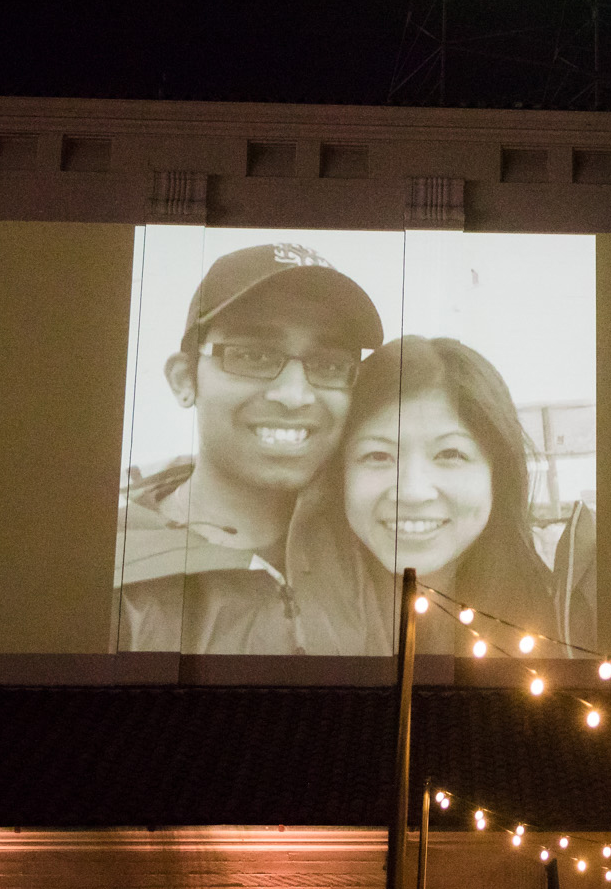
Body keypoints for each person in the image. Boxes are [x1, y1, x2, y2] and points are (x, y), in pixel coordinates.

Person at [117, 242, 384, 653]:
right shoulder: (112, 580)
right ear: (185, 380)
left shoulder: (382, 545)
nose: (295, 396)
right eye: (254, 355)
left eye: (329, 364)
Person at [289, 336, 572, 655]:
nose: (411, 492)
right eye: (378, 455)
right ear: (337, 476)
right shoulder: (285, 624)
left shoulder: (571, 613)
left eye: (450, 453)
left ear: (499, 473)